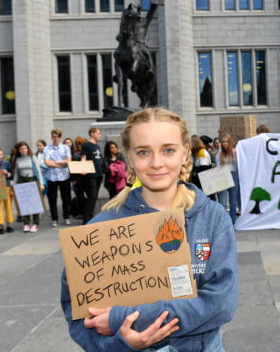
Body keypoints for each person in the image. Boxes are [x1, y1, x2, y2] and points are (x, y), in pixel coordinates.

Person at [60, 108, 238, 351]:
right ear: (130, 158)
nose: (156, 163)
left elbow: (220, 303)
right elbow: (80, 315)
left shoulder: (214, 218)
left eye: (168, 150)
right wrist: (119, 343)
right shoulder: (98, 229)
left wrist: (122, 317)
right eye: (143, 152)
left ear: (185, 153)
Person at [12, 141, 44, 233]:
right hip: (22, 181)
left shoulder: (32, 157)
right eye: (21, 149)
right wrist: (14, 186)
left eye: (25, 148)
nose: (24, 150)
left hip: (32, 180)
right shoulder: (17, 159)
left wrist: (41, 184)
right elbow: (16, 174)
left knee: (35, 203)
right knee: (24, 204)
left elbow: (38, 170)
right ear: (18, 150)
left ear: (28, 148)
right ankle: (26, 223)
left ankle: (35, 223)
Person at [44, 129, 72, 227]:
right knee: (52, 198)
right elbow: (47, 163)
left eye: (57, 136)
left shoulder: (65, 148)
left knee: (66, 198)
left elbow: (68, 160)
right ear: (51, 137)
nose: (55, 138)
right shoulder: (47, 148)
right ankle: (54, 218)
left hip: (64, 176)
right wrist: (61, 163)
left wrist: (54, 163)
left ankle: (66, 217)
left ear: (60, 137)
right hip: (52, 176)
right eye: (53, 136)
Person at [81, 127, 104, 224]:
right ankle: (86, 218)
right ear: (92, 134)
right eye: (98, 133)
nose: (100, 135)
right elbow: (83, 158)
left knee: (95, 197)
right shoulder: (86, 145)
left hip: (99, 174)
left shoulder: (97, 146)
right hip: (90, 175)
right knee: (91, 196)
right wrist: (83, 168)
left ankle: (91, 216)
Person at [216, 133, 240, 224]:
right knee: (223, 202)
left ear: (230, 142)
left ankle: (233, 222)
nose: (225, 143)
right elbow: (218, 167)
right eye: (223, 142)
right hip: (223, 176)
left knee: (233, 201)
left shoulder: (234, 152)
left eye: (227, 141)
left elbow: (238, 166)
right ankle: (224, 223)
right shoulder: (219, 153)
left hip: (233, 175)